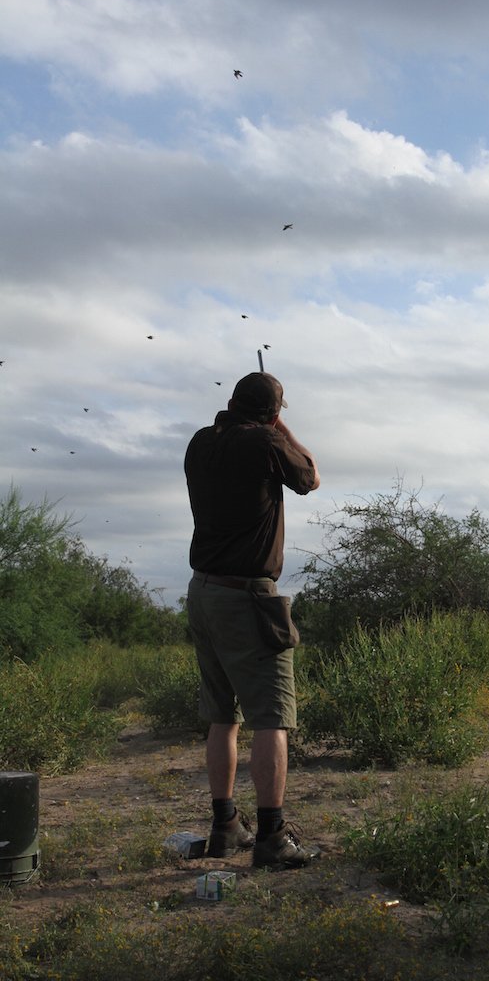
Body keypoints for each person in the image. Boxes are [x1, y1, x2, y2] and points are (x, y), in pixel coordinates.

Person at [184, 372, 320, 870]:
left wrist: (267, 422)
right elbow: (309, 476)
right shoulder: (266, 441)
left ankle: (225, 827)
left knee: (223, 716)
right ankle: (271, 836)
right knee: (271, 718)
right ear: (272, 412)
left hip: (202, 592)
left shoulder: (200, 442)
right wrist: (282, 429)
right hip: (248, 597)